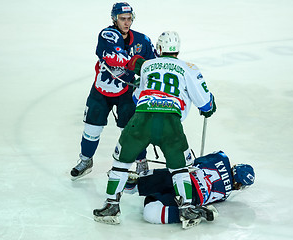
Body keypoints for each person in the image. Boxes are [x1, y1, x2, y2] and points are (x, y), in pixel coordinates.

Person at [93, 31, 217, 229]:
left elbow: (136, 96)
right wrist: (209, 108)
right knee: (179, 168)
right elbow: (205, 102)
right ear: (178, 50)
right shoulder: (189, 68)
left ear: (159, 49)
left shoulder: (148, 65)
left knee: (121, 163)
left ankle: (111, 207)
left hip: (141, 118)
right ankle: (186, 209)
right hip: (170, 122)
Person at [70, 2, 157, 180]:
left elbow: (153, 65)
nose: (126, 22)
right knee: (91, 129)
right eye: (122, 19)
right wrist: (135, 63)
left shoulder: (143, 41)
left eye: (129, 19)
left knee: (133, 129)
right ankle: (86, 160)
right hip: (101, 91)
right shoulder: (107, 34)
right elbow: (115, 58)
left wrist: (147, 79)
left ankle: (141, 162)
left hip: (126, 91)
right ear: (114, 19)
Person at [124, 151, 255, 226]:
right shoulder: (225, 194)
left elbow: (195, 162)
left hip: (179, 176)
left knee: (133, 184)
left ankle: (130, 183)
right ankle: (194, 212)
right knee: (151, 212)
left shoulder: (221, 156)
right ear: (238, 185)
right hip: (189, 196)